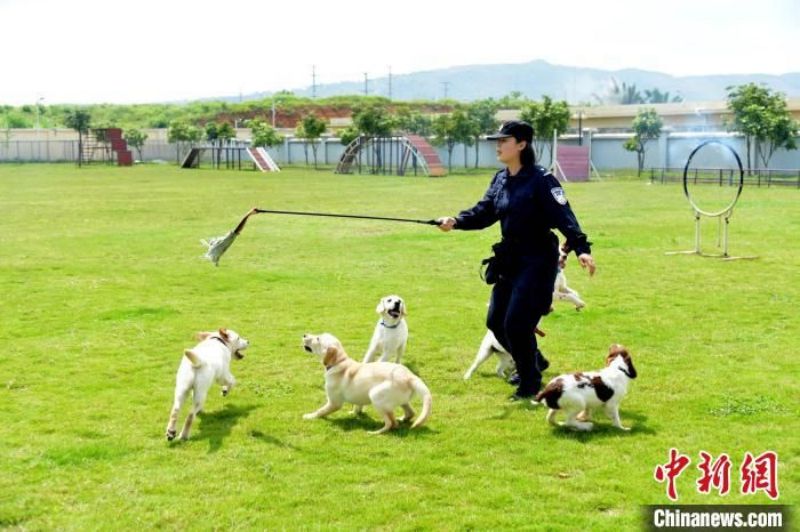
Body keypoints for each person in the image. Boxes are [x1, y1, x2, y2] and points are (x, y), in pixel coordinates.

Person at [436, 120, 596, 401]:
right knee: (496, 321)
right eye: (497, 141)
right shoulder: (501, 179)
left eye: (504, 140)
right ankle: (535, 361)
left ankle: (530, 383)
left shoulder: (542, 180)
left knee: (517, 323)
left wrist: (581, 248)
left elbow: (564, 215)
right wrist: (456, 221)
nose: (498, 146)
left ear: (521, 144)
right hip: (510, 259)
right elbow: (485, 212)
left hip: (537, 260)